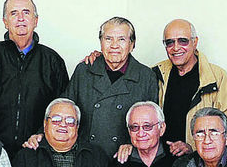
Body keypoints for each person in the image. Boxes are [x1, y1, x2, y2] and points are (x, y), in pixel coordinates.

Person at [29, 16, 157, 157]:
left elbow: (153, 125)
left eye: (121, 39)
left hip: (124, 158)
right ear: (101, 43)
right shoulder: (84, 70)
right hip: (86, 157)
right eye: (108, 39)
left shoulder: (146, 76)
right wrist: (41, 134)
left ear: (132, 45)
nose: (114, 45)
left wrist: (133, 146)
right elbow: (62, 107)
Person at [0, 0, 68, 158]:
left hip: (37, 152)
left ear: (36, 20)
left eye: (26, 12)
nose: (21, 18)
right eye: (14, 13)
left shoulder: (52, 61)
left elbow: (62, 107)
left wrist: (41, 134)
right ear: (5, 22)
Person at [154, 19, 227, 156]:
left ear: (195, 42)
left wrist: (192, 148)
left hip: (199, 163)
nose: (176, 48)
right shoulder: (156, 73)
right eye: (169, 42)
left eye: (183, 41)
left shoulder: (217, 77)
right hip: (160, 160)